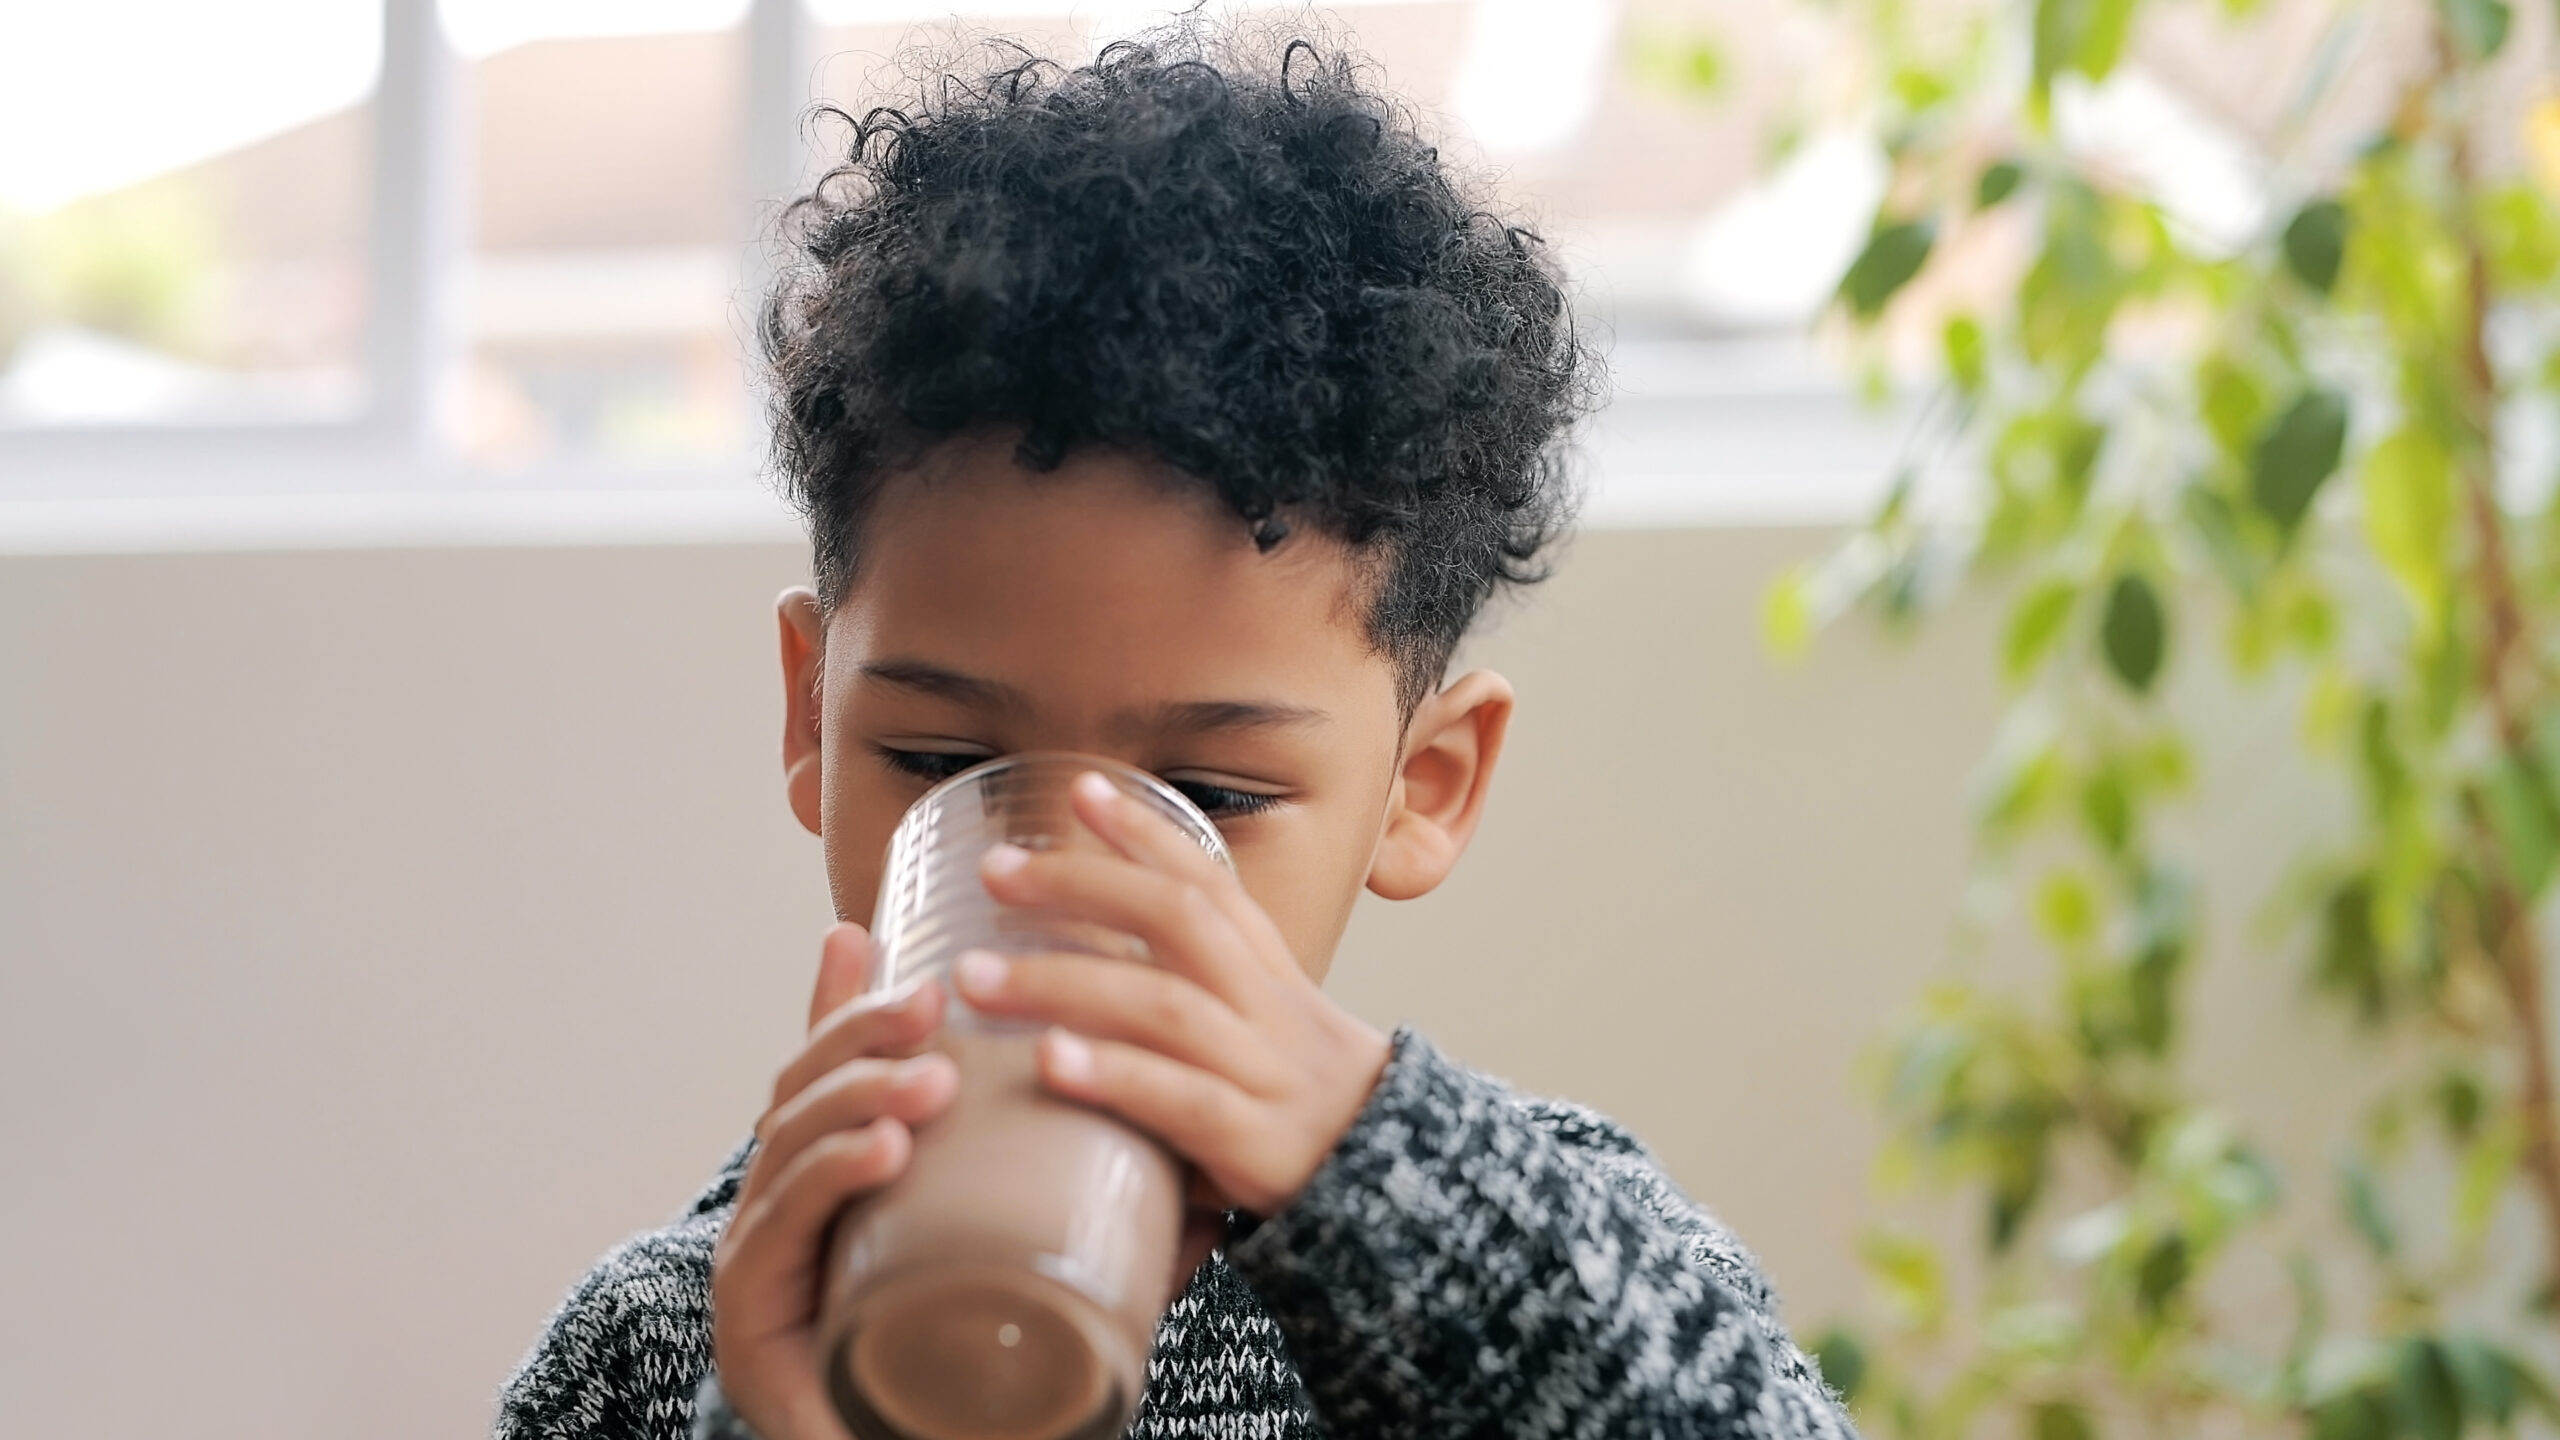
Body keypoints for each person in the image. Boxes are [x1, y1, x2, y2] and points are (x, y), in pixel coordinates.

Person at [496, 20, 1856, 1440]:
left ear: (1423, 785)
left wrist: (1384, 1180)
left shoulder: (1540, 1278)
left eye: (1206, 792)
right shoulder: (669, 1348)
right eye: (951, 769)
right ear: (810, 713)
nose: (1062, 890)